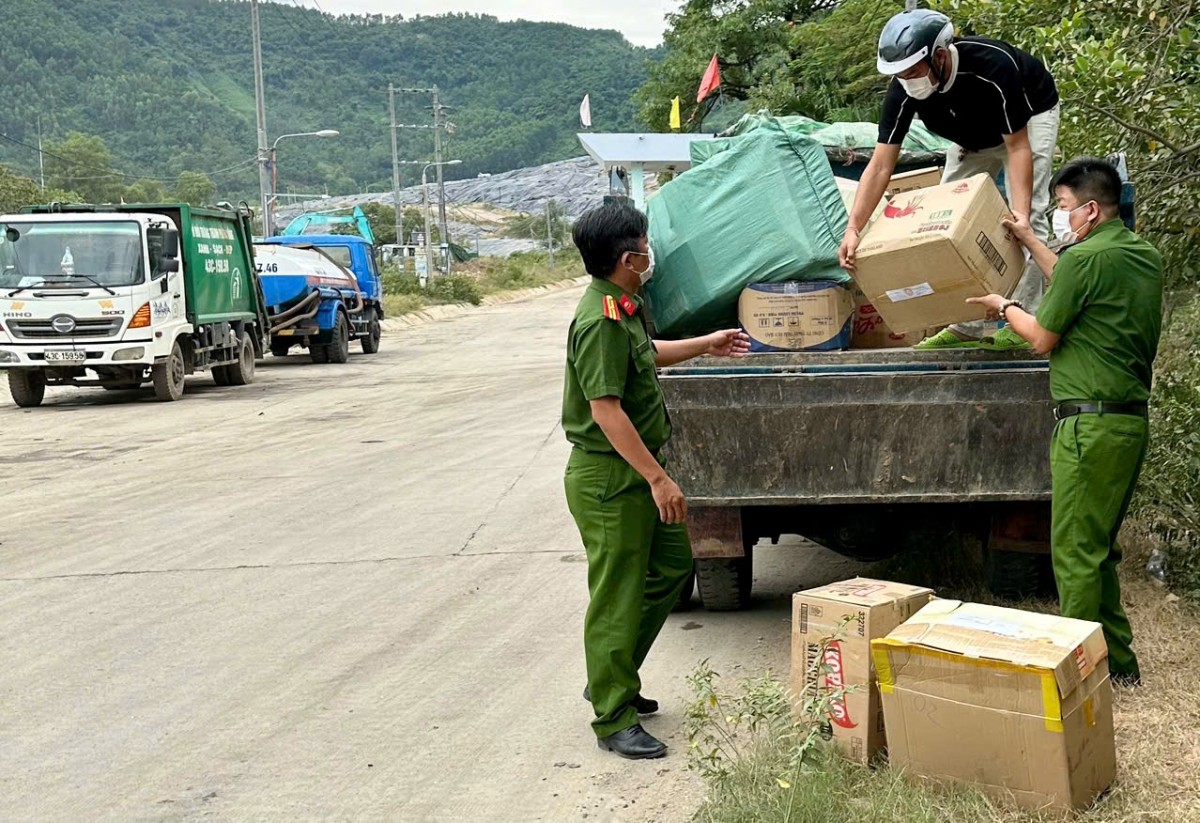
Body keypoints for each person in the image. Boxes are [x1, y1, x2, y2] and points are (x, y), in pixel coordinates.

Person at [563, 201, 750, 758]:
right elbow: (606, 411)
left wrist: (707, 343)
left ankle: (609, 673)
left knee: (671, 568)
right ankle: (613, 714)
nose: (651, 254)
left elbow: (648, 355)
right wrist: (658, 479)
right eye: (645, 246)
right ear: (628, 258)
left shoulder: (624, 304)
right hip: (610, 479)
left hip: (633, 473)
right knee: (616, 596)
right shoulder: (598, 320)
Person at [967, 157, 1163, 686]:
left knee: (1074, 555)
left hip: (1087, 426)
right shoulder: (1140, 256)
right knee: (1097, 551)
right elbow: (1076, 281)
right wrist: (1031, 240)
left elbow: (1041, 337)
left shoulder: (1085, 261)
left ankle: (1080, 680)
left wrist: (1004, 306)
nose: (1061, 215)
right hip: (1128, 425)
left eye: (1064, 207)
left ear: (1091, 208)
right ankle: (1119, 668)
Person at [839, 8, 1060, 350]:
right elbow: (882, 165)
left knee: (1027, 220)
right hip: (971, 135)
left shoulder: (993, 66)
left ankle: (1022, 323)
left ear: (939, 56)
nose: (907, 80)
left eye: (913, 71)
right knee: (948, 221)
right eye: (900, 74)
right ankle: (966, 328)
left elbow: (1017, 149)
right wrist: (853, 228)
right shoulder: (903, 91)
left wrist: (1021, 212)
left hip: (1026, 122)